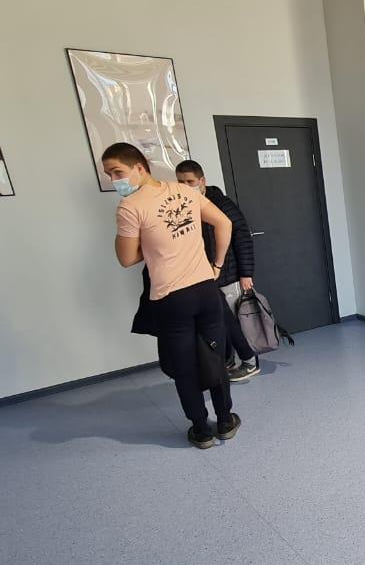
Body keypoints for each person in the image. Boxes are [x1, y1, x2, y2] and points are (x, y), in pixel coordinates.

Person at [107, 142, 241, 449]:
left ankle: (201, 430)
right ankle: (225, 420)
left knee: (184, 365)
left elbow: (126, 258)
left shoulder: (130, 206)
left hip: (172, 297)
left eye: (117, 171)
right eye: (109, 174)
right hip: (205, 289)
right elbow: (224, 222)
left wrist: (150, 243)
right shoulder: (185, 191)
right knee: (214, 354)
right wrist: (217, 265)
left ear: (139, 167)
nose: (114, 180)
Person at [174, 160, 260, 382]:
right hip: (202, 276)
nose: (185, 186)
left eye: (190, 181)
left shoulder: (221, 204)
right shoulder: (183, 206)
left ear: (202, 180)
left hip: (228, 273)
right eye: (180, 182)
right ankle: (228, 360)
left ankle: (250, 362)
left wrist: (246, 274)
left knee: (235, 321)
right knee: (217, 323)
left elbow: (243, 238)